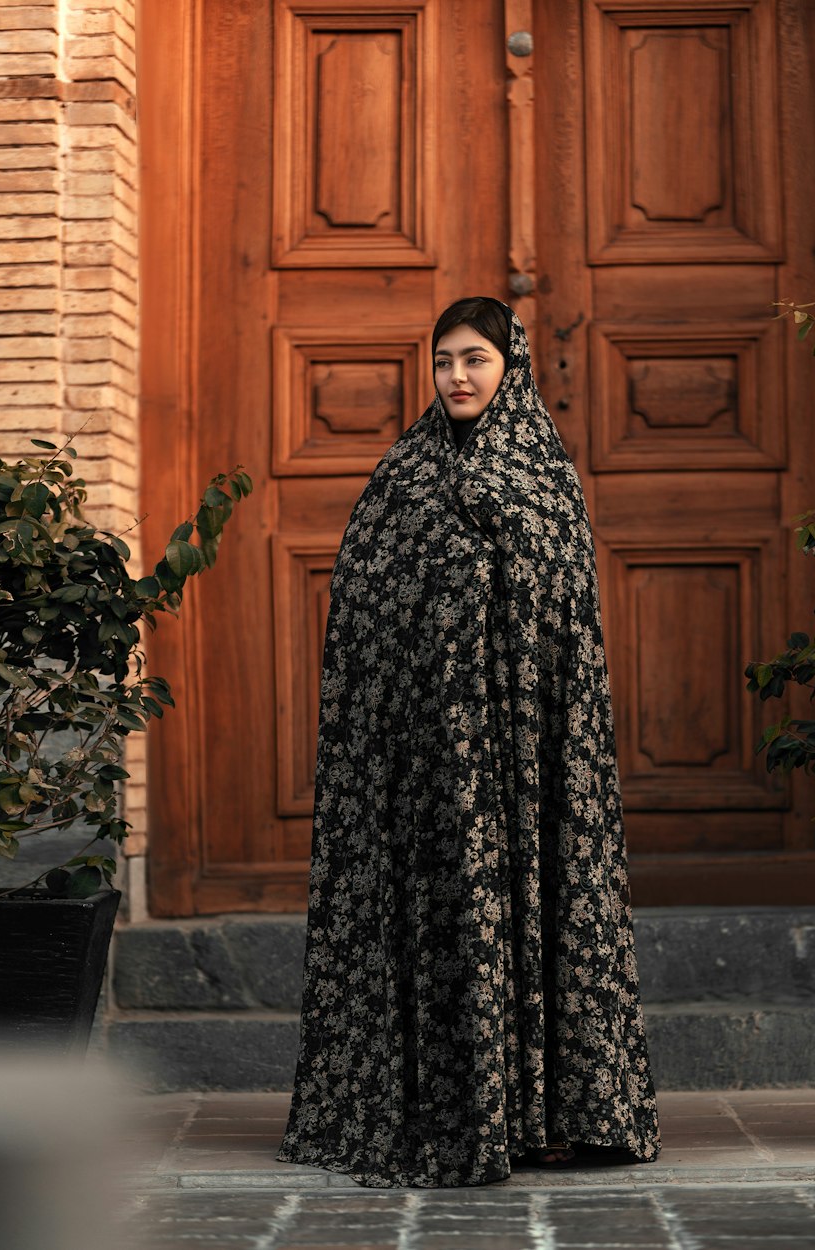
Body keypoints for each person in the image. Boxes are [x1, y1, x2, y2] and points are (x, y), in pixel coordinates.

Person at [276, 296, 660, 1188]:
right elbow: (363, 607)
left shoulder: (544, 478)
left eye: (476, 358)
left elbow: (565, 618)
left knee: (536, 897)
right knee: (447, 906)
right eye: (445, 359)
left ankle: (554, 1114)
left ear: (510, 366)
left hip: (526, 750)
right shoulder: (399, 475)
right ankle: (442, 1105)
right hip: (428, 753)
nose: (457, 375)